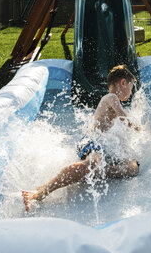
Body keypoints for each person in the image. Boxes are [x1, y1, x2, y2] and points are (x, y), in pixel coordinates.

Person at [22, 65, 142, 212]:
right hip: (92, 141)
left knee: (133, 167)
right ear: (123, 83)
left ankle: (98, 172)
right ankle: (42, 191)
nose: (131, 93)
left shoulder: (113, 100)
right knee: (91, 164)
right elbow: (123, 117)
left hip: (103, 145)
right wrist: (141, 129)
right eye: (130, 87)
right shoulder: (111, 97)